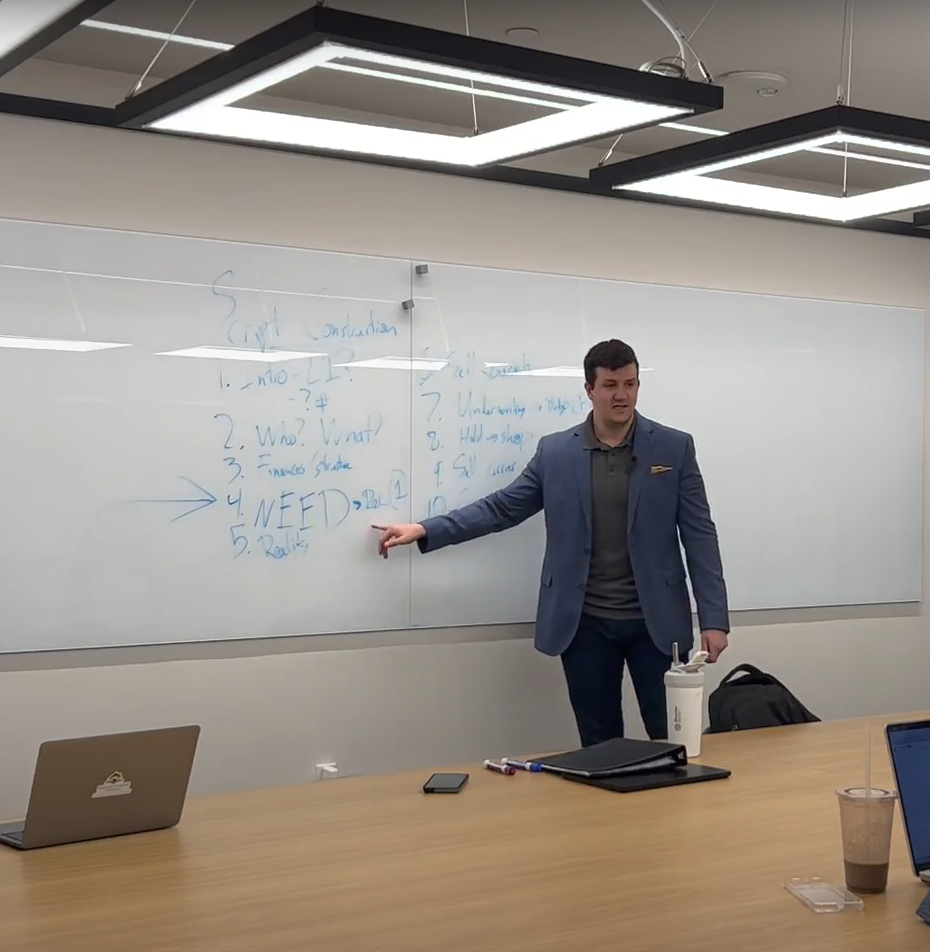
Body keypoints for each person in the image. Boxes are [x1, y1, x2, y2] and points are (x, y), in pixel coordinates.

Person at [376, 339, 729, 747]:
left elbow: (700, 533)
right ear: (589, 389)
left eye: (630, 384)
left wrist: (714, 618)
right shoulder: (557, 452)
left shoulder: (674, 447)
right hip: (584, 624)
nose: (622, 395)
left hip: (657, 623)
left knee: (672, 740)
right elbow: (501, 508)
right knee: (599, 743)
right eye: (611, 385)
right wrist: (425, 529)